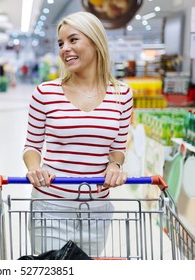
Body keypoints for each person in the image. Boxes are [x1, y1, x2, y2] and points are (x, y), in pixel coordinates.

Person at [22, 11, 133, 257]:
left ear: (95, 42)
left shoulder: (122, 94)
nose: (65, 49)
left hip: (96, 205)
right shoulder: (45, 92)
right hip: (51, 202)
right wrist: (35, 168)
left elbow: (118, 148)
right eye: (61, 43)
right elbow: (31, 146)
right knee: (50, 268)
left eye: (73, 40)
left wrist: (114, 166)